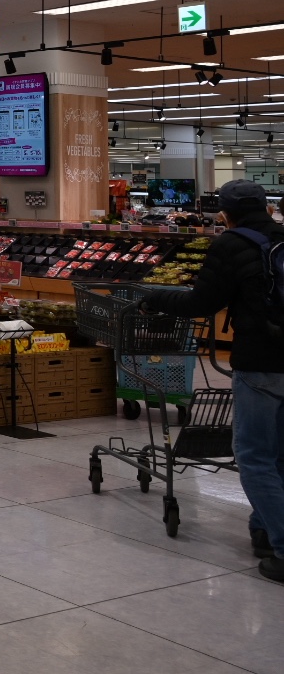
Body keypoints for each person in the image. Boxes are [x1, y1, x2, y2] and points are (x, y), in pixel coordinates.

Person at [144, 180, 284, 583]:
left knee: (254, 456)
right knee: (279, 454)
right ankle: (263, 529)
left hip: (260, 361)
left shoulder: (230, 244)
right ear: (267, 207)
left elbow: (200, 303)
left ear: (224, 213)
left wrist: (155, 297)